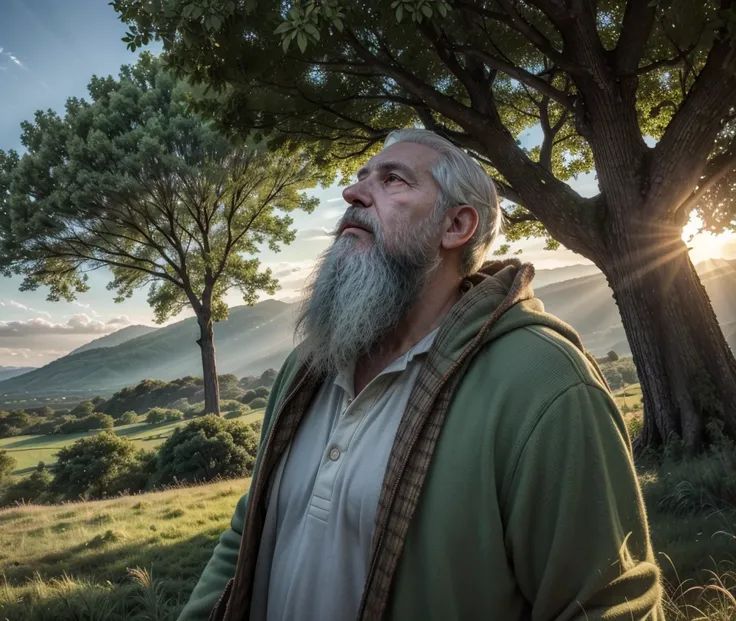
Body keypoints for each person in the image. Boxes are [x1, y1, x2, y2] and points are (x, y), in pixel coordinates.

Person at [178, 129, 663, 621]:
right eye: (361, 177)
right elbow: (250, 529)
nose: (353, 194)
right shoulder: (307, 366)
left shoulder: (542, 381)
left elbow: (606, 602)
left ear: (455, 225)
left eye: (393, 180)